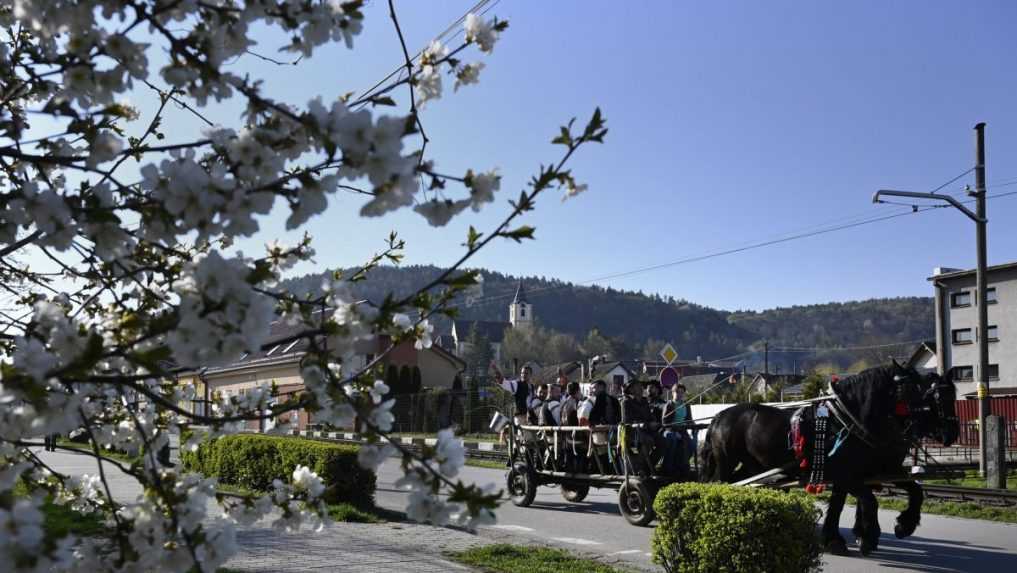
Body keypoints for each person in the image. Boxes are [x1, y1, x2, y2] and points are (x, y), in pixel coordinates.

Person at [620, 379, 659, 476]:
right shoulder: (626, 402)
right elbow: (627, 421)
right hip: (632, 433)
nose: (641, 388)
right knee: (648, 440)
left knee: (663, 441)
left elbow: (650, 416)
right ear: (631, 390)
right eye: (638, 386)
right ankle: (639, 468)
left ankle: (648, 466)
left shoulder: (645, 401)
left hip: (647, 431)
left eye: (641, 386)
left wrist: (654, 422)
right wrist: (646, 424)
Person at [662, 383, 694, 477]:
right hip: (670, 431)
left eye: (681, 392)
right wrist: (674, 431)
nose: (679, 394)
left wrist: (694, 426)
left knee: (691, 446)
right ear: (673, 392)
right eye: (677, 392)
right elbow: (664, 422)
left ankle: (681, 465)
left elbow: (689, 420)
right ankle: (668, 468)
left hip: (683, 431)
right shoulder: (669, 404)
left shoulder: (686, 405)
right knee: (673, 440)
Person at [492, 362, 534, 427]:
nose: (523, 375)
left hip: (530, 417)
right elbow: (504, 383)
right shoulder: (517, 384)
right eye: (522, 373)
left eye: (526, 373)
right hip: (520, 417)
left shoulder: (532, 387)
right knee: (521, 436)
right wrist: (496, 371)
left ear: (531, 375)